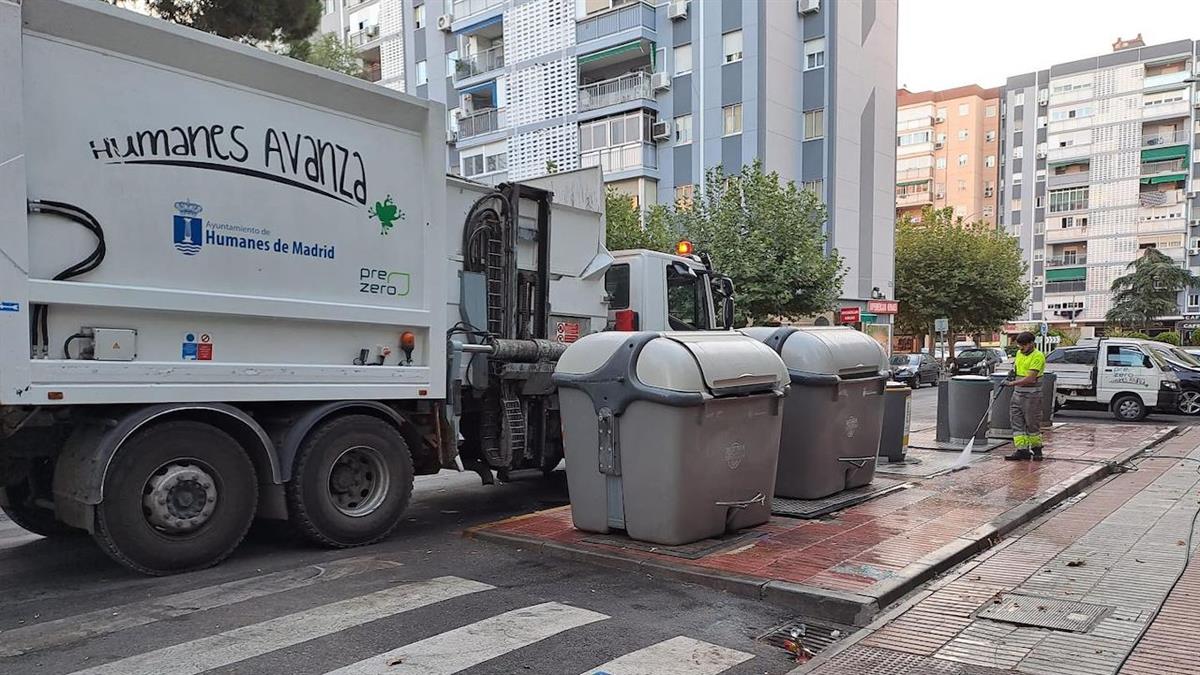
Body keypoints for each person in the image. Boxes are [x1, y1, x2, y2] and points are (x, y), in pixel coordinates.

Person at [1004, 332, 1045, 461]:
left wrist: (1011, 383)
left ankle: (1037, 450)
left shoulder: (1038, 356)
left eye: (1023, 345)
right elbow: (1017, 370)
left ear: (1031, 343)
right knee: (1017, 423)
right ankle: (1022, 450)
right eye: (1019, 346)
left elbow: (1031, 378)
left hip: (1032, 396)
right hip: (1017, 394)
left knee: (1032, 423)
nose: (1021, 348)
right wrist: (1011, 374)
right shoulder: (1019, 354)